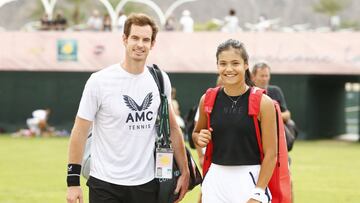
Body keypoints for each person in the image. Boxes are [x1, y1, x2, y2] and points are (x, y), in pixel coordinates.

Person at [66, 13, 189, 203]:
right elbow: (79, 131)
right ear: (124, 39)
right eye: (135, 38)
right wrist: (73, 182)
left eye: (146, 40)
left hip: (147, 184)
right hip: (105, 184)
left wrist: (185, 171)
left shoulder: (159, 78)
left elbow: (173, 128)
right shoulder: (99, 81)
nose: (140, 44)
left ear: (152, 44)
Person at [193, 39, 277, 203]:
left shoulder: (263, 102)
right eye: (223, 63)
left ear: (246, 65)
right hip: (215, 180)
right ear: (217, 65)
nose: (229, 69)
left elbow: (271, 154)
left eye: (235, 63)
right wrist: (198, 137)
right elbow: (196, 134)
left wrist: (258, 193)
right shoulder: (207, 99)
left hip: (249, 180)